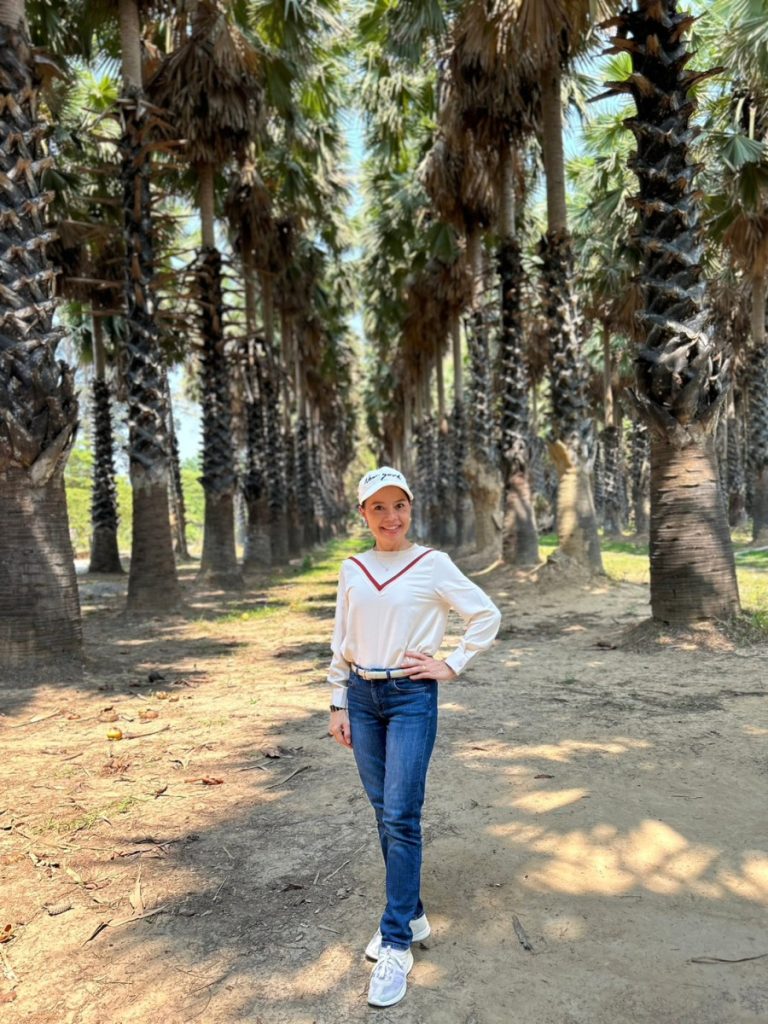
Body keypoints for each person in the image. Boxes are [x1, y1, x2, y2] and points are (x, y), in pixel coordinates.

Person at [327, 466, 501, 1008]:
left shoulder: (433, 564)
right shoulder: (353, 568)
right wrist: (337, 700)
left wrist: (452, 664)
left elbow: (485, 615)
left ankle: (396, 941)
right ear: (363, 513)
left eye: (398, 505)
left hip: (409, 697)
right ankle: (412, 913)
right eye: (378, 507)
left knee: (402, 814)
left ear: (410, 508)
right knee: (385, 811)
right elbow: (342, 637)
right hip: (362, 697)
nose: (390, 517)